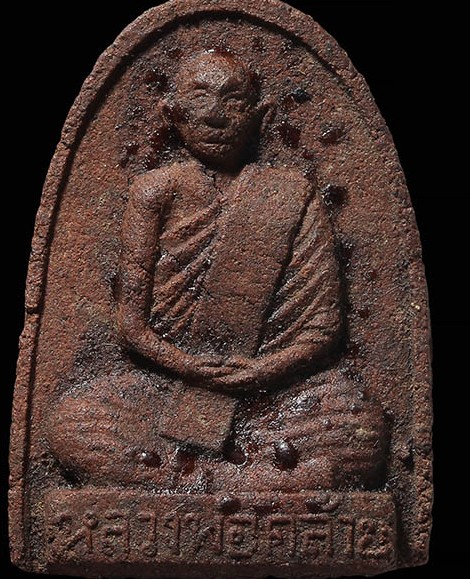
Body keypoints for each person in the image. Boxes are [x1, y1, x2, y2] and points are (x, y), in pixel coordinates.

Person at [47, 49, 387, 490]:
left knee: (360, 424)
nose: (215, 115)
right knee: (73, 421)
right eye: (199, 98)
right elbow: (130, 328)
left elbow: (323, 330)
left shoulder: (291, 194)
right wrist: (190, 367)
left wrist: (259, 372)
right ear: (173, 113)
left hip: (272, 399)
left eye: (233, 100)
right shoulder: (154, 191)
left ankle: (189, 481)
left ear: (261, 115)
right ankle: (254, 484)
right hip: (169, 391)